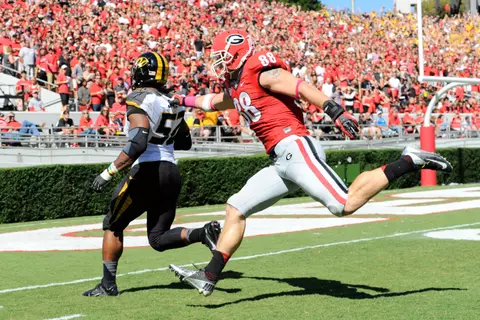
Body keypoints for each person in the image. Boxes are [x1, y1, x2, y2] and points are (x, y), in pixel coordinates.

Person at [168, 29, 453, 296]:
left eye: (223, 57)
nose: (220, 63)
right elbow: (216, 101)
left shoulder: (262, 71)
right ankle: (209, 276)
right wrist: (182, 100)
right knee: (235, 208)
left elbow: (300, 87)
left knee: (343, 204)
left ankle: (409, 160)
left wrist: (335, 111)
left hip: (296, 146)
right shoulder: (239, 83)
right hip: (281, 160)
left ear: (239, 52)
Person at [83, 52, 221, 297]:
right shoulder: (172, 101)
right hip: (171, 171)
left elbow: (138, 143)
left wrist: (108, 172)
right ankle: (203, 233)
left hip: (148, 171)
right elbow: (185, 142)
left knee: (113, 224)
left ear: (139, 72)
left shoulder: (139, 97)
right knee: (157, 239)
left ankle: (107, 285)